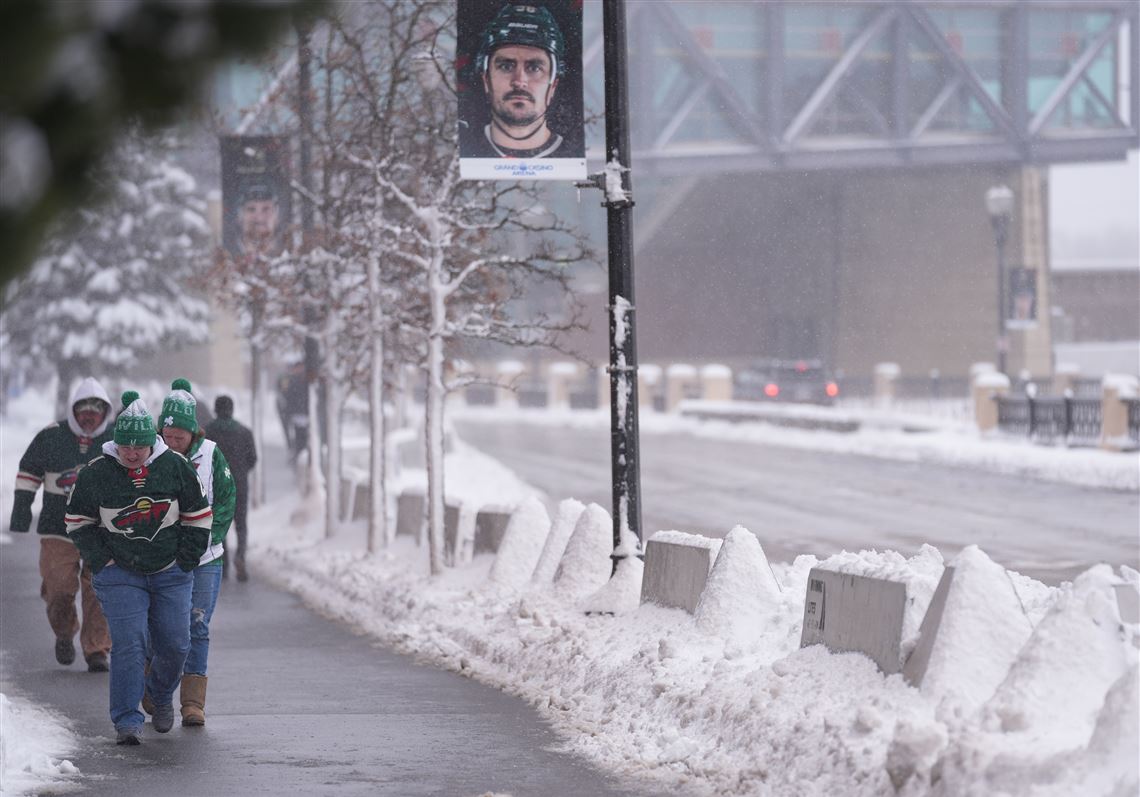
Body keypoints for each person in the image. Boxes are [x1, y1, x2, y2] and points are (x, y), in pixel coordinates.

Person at [66, 392, 212, 745]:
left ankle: (160, 695)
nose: (131, 454)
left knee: (177, 644)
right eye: (125, 447)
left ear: (153, 443)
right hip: (120, 575)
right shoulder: (97, 473)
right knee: (130, 643)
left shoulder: (175, 467)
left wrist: (185, 560)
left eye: (140, 447)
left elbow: (199, 516)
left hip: (170, 572)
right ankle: (126, 719)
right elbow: (76, 520)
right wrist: (102, 559)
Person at [9, 377, 114, 672]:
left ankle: (96, 648)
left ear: (106, 411)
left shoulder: (117, 441)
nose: (90, 414)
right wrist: (21, 511)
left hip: (101, 530)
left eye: (97, 408)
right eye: (84, 408)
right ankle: (64, 633)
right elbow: (28, 473)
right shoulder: (51, 437)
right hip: (58, 527)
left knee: (99, 589)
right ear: (73, 410)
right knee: (58, 588)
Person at [157, 379, 235, 726]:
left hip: (205, 557)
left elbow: (227, 499)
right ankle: (155, 686)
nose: (172, 443)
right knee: (161, 627)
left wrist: (208, 536)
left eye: (179, 438)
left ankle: (192, 702)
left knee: (197, 625)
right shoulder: (152, 454)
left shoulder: (212, 454)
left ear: (193, 434)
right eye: (168, 436)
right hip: (163, 557)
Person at [462, 3, 569, 159]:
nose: (519, 81)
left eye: (534, 68)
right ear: (486, 79)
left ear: (553, 85)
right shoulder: (461, 149)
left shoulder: (581, 154)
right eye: (506, 66)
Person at [204, 394, 258, 582]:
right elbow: (253, 459)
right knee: (241, 524)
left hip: (218, 485)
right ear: (232, 409)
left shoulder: (208, 431)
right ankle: (240, 556)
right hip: (239, 483)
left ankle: (224, 562)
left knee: (221, 523)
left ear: (216, 409)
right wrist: (240, 471)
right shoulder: (244, 431)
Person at [237, 182, 282, 257]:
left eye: (266, 209)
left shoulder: (290, 256)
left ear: (276, 218)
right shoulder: (226, 257)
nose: (259, 217)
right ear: (240, 218)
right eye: (251, 209)